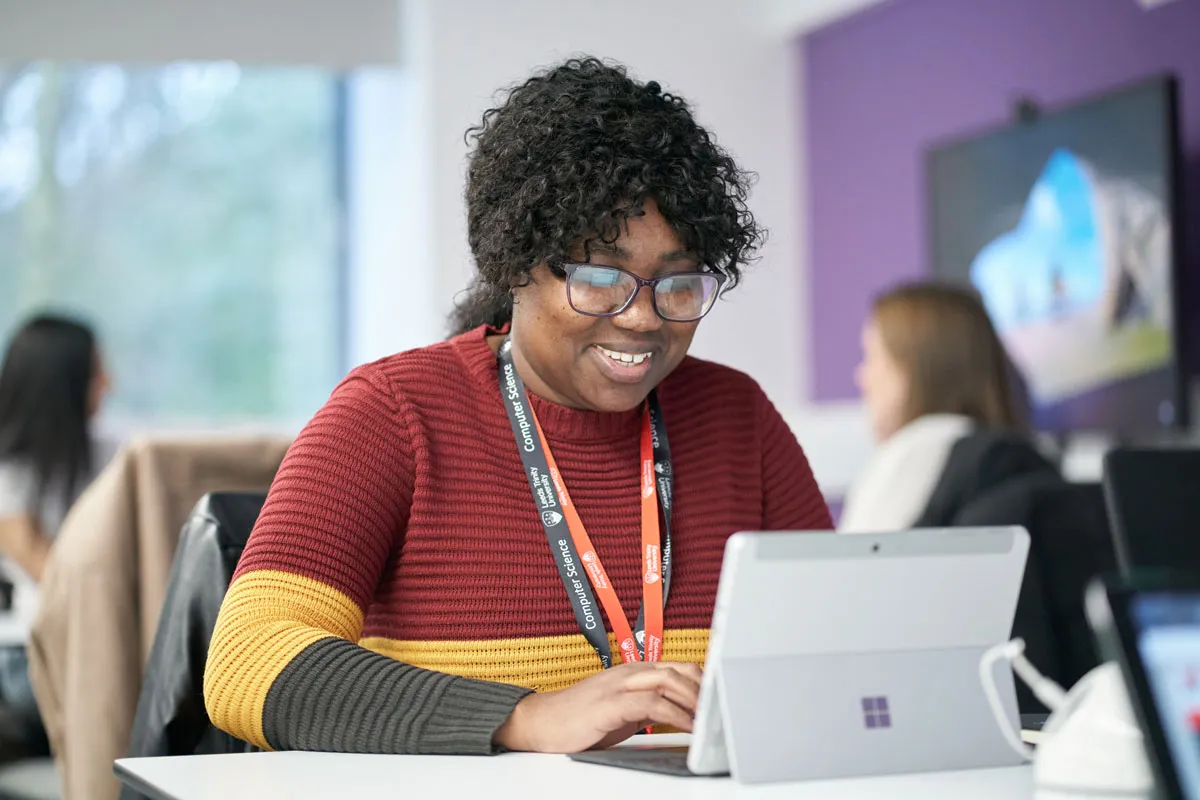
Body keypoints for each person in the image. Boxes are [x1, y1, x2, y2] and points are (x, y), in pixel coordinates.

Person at [204, 57, 831, 756]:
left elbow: (841, 646)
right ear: (515, 263)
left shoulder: (738, 419)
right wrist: (525, 718)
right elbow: (246, 664)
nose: (642, 319)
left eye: (677, 283)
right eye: (599, 278)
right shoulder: (393, 415)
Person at [839, 281, 1045, 533]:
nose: (862, 376)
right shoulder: (1021, 457)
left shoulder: (910, 454)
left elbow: (857, 570)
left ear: (911, 369)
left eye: (871, 357)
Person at [0, 313, 110, 758]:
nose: (109, 383)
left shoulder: (104, 456)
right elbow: (55, 578)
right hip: (28, 660)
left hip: (85, 646)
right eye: (97, 373)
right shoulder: (9, 478)